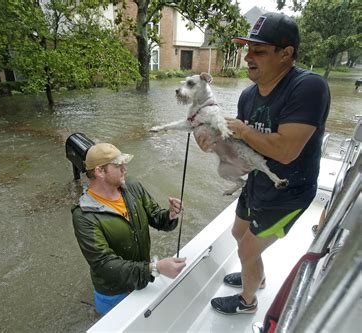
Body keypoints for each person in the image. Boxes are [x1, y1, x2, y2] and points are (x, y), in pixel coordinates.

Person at [194, 12, 330, 315]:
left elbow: (285, 152)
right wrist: (214, 145)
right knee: (236, 233)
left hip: (289, 191)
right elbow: (244, 154)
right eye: (247, 49)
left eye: (259, 51)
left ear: (286, 54)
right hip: (258, 181)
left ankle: (247, 301)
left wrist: (241, 129)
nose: (248, 58)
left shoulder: (308, 88)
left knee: (246, 248)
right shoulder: (247, 96)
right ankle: (257, 275)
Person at [72, 143, 187, 315]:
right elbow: (104, 264)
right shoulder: (84, 216)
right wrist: (154, 268)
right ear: (99, 172)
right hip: (113, 292)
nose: (124, 169)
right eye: (118, 166)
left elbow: (155, 216)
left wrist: (170, 215)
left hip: (141, 276)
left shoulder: (132, 186)